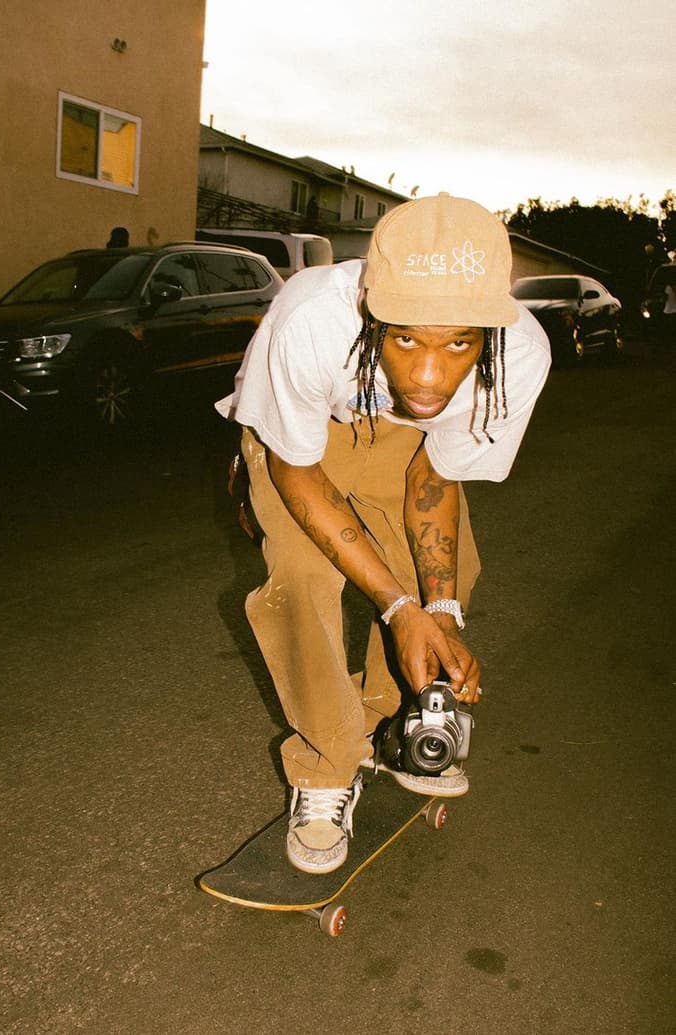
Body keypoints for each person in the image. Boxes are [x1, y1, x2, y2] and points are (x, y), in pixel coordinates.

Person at [216, 193, 551, 875]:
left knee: (446, 582)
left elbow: (434, 475)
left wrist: (436, 613)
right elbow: (297, 472)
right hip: (296, 437)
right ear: (370, 308)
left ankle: (392, 724)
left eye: (459, 344)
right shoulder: (313, 319)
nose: (428, 377)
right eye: (405, 340)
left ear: (492, 328)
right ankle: (324, 766)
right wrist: (396, 608)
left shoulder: (520, 356)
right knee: (302, 578)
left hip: (398, 440)